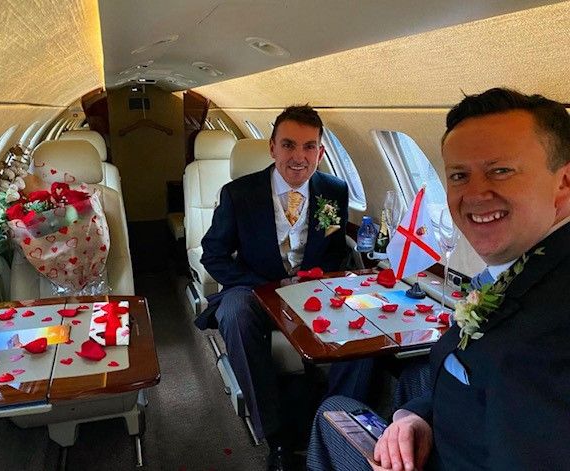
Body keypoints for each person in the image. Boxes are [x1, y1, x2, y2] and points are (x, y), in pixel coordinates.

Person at [307, 87, 570, 470]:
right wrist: (417, 418)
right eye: (459, 175)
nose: (476, 193)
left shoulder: (550, 330)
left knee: (332, 410)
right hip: (445, 431)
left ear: (563, 182)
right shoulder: (525, 269)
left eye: (500, 170)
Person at [196, 105, 369, 470]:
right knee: (234, 311)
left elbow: (336, 250)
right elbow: (213, 255)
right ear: (272, 148)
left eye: (309, 147)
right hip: (256, 290)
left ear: (321, 153)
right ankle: (276, 439)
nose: (299, 157)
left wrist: (327, 280)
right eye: (289, 145)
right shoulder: (238, 194)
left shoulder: (334, 191)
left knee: (366, 323)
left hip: (311, 289)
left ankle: (332, 421)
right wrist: (265, 287)